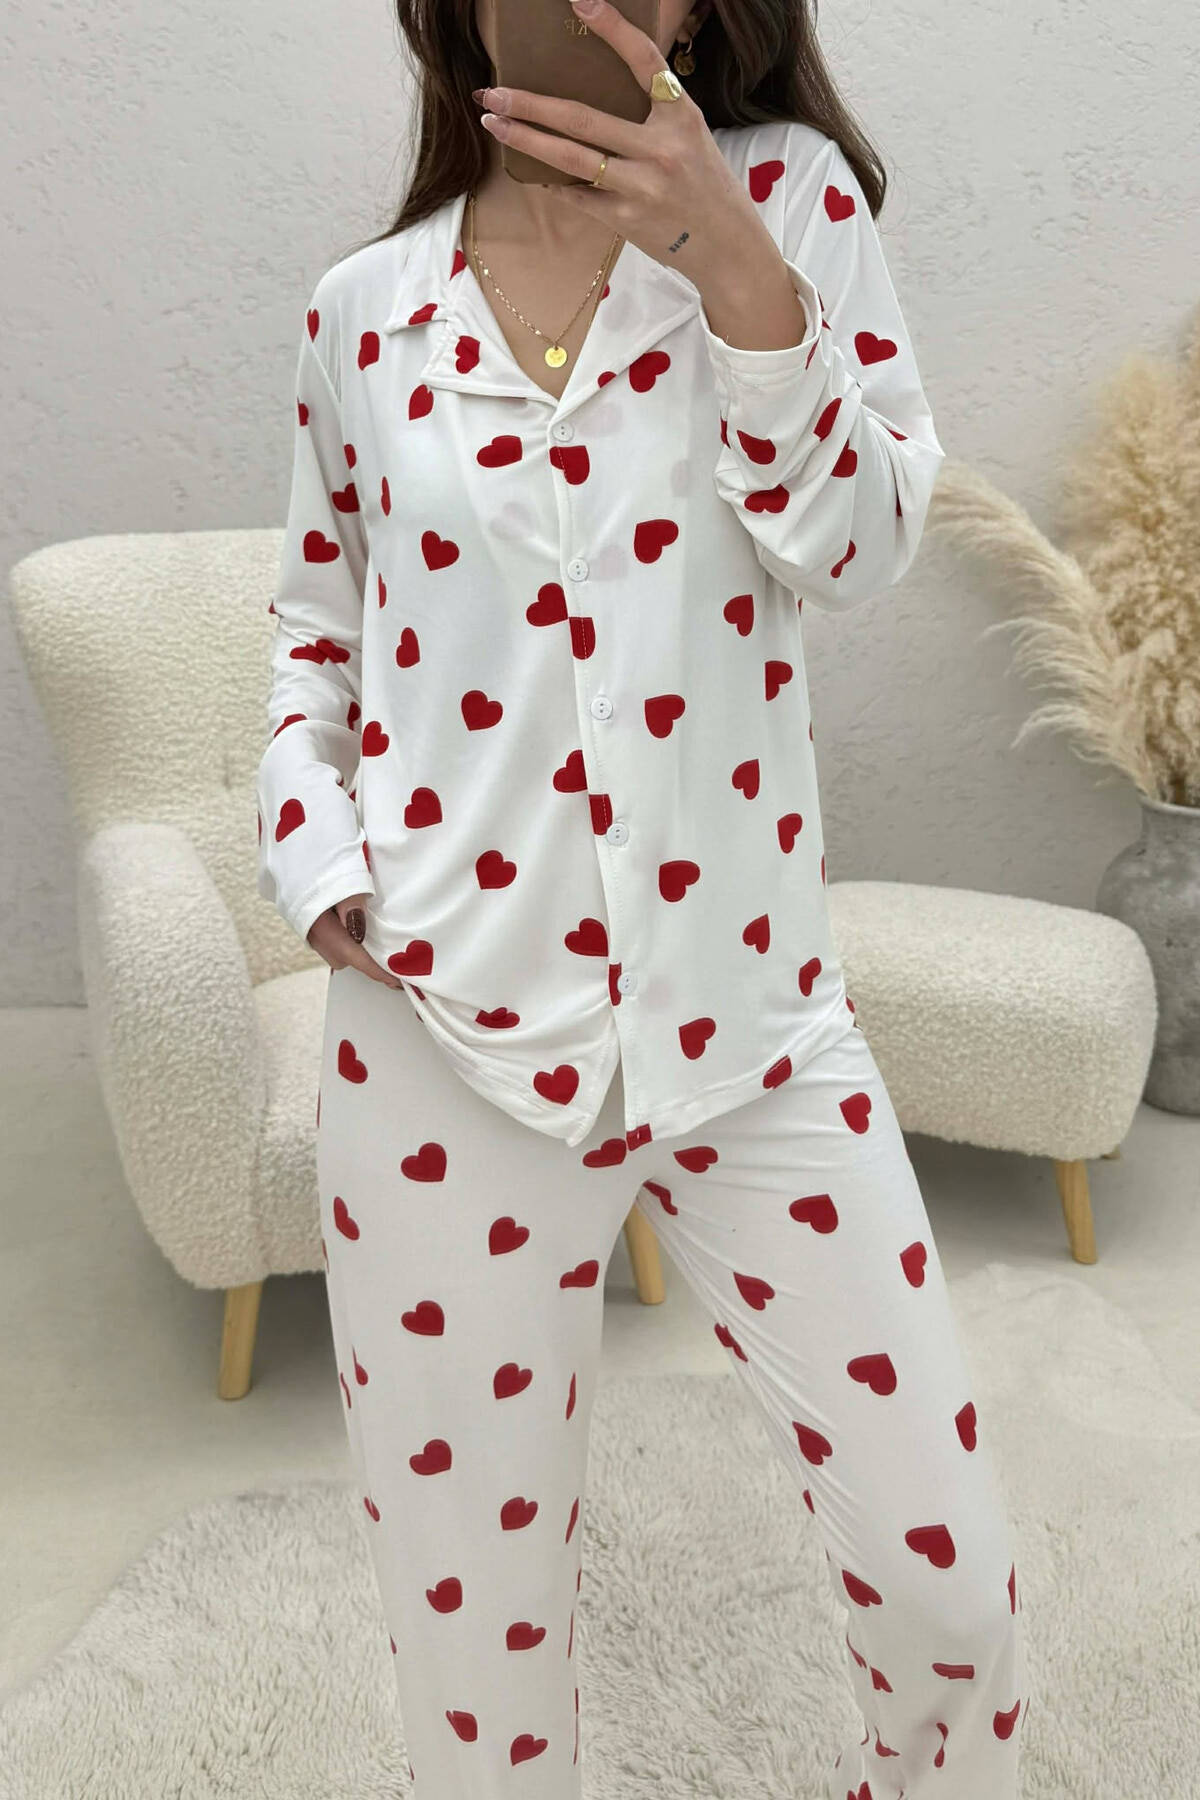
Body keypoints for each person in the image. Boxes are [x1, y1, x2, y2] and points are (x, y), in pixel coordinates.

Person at [255, 1, 1030, 1794]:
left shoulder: (790, 205)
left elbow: (863, 549)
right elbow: (313, 638)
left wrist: (733, 266)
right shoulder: (362, 313)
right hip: (442, 1043)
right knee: (475, 1658)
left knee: (955, 1594)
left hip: (755, 1028)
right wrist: (321, 860)